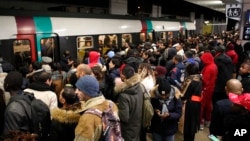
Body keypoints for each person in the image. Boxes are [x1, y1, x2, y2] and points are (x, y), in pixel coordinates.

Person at [74, 75, 119, 141]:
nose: (76, 92)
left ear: (88, 92)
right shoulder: (111, 104)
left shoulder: (88, 118)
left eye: (79, 90)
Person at [114, 65, 143, 141]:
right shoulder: (139, 87)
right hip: (137, 124)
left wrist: (116, 108)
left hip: (127, 129)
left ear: (123, 76)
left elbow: (124, 117)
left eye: (121, 73)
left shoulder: (124, 95)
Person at [150, 76, 182, 141]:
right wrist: (155, 111)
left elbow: (178, 113)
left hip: (170, 129)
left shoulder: (176, 97)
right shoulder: (153, 96)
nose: (163, 97)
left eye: (166, 95)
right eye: (161, 95)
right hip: (157, 128)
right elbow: (150, 109)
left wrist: (169, 115)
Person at [180, 63, 202, 141]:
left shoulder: (190, 81)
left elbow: (184, 95)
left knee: (187, 125)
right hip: (197, 103)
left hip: (189, 105)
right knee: (192, 124)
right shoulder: (199, 78)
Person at [200, 52, 218, 129]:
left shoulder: (208, 68)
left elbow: (205, 80)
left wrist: (200, 77)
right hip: (211, 88)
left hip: (205, 88)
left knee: (201, 105)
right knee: (208, 104)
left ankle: (200, 122)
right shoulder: (214, 66)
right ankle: (208, 120)